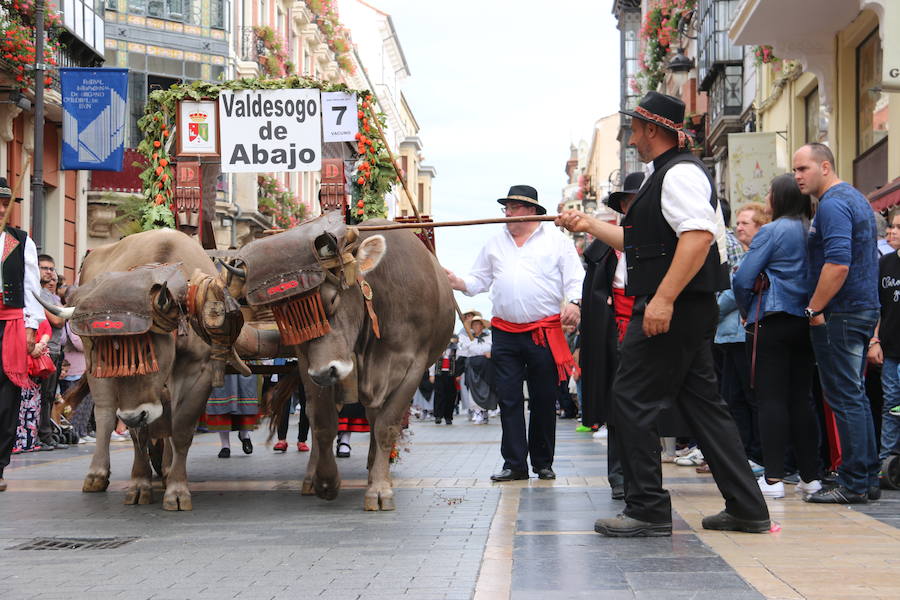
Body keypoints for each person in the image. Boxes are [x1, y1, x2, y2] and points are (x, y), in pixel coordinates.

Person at [557, 91, 770, 536]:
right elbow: (641, 247)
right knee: (705, 408)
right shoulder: (666, 176)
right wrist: (588, 225)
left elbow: (696, 239)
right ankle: (748, 507)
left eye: (635, 126)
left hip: (672, 309)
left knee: (630, 399)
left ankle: (648, 509)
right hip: (683, 309)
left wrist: (664, 299)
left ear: (652, 130)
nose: (631, 134)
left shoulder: (680, 175)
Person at [446, 184, 583, 482]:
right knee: (508, 398)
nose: (507, 213)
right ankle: (514, 464)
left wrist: (574, 303)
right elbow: (479, 279)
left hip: (543, 331)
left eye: (514, 207)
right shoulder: (495, 243)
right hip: (505, 332)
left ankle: (543, 462)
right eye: (505, 208)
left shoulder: (556, 241)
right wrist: (458, 281)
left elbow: (575, 277)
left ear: (532, 210)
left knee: (544, 398)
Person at [794, 142, 881, 503]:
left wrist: (814, 309)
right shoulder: (854, 198)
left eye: (804, 169)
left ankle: (855, 482)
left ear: (825, 167)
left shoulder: (832, 204)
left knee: (845, 397)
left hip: (842, 313)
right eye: (795, 170)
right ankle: (866, 478)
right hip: (859, 310)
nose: (797, 176)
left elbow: (839, 263)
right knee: (854, 397)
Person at [733, 174, 821, 499]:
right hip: (806, 318)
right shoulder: (812, 228)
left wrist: (746, 310)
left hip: (770, 318)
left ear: (779, 198)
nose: (767, 198)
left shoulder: (772, 231)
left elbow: (743, 277)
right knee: (802, 399)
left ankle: (772, 479)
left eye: (770, 193)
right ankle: (811, 477)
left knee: (770, 399)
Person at [715, 201, 768, 474]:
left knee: (749, 395)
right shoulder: (745, 255)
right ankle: (743, 452)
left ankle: (757, 454)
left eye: (745, 223)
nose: (739, 227)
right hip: (727, 335)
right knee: (732, 397)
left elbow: (737, 291)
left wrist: (712, 310)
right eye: (738, 223)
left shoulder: (753, 257)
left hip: (741, 333)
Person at [0, 177, 45, 492]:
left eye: (5, 204)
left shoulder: (21, 241)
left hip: (11, 323)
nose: (3, 209)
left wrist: (31, 328)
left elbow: (32, 287)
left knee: (6, 398)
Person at [867, 206, 900, 465]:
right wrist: (874, 340)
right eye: (892, 226)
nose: (892, 231)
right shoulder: (885, 264)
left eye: (899, 227)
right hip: (890, 348)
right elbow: (878, 306)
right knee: (890, 405)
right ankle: (887, 459)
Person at [36, 255, 67, 450]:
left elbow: (62, 317)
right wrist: (60, 313)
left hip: (56, 350)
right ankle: (42, 435)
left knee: (49, 396)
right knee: (43, 395)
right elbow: (58, 320)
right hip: (43, 351)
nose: (49, 272)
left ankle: (46, 435)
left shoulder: (52, 296)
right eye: (44, 268)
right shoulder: (38, 293)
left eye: (52, 269)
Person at [206, 373, 259, 458]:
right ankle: (225, 445)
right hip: (223, 364)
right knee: (222, 398)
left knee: (244, 394)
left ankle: (244, 435)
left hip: (244, 363)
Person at [460, 315, 496, 424]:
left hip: (486, 366)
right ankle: (477, 412)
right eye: (474, 325)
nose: (476, 326)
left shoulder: (488, 337)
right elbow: (465, 350)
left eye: (478, 324)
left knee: (486, 389)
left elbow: (490, 348)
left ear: (482, 326)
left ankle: (485, 412)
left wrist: (490, 353)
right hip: (473, 366)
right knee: (473, 390)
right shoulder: (468, 339)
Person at [432, 337, 461, 425]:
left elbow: (458, 362)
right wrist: (431, 374)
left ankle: (448, 417)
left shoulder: (455, 349)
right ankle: (438, 416)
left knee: (450, 396)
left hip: (450, 374)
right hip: (439, 374)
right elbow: (432, 362)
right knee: (439, 395)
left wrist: (458, 374)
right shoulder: (437, 348)